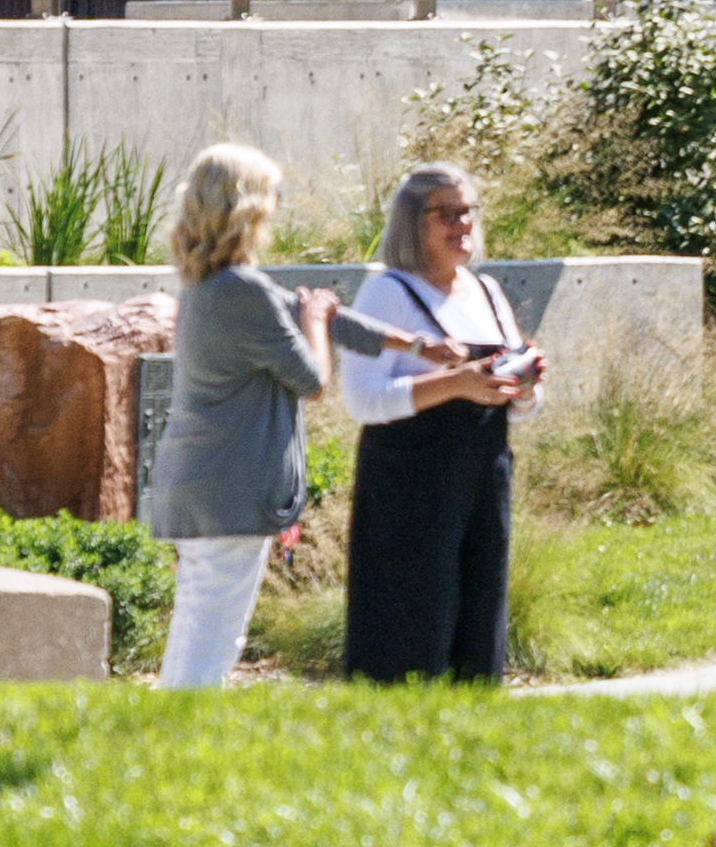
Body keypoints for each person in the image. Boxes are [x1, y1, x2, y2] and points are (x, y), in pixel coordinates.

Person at [327, 160, 542, 685]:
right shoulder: (388, 293)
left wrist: (525, 385)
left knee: (480, 606)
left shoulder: (487, 290)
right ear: (411, 223)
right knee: (409, 620)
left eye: (467, 211)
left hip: (483, 480)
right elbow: (361, 401)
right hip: (408, 487)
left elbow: (518, 404)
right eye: (446, 213)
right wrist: (455, 384)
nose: (461, 224)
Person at [144, 141, 341, 689]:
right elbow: (313, 380)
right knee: (214, 637)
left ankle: (162, 740)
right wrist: (317, 320)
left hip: (197, 485)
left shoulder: (207, 287)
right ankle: (181, 747)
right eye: (272, 194)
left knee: (196, 625)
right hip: (229, 492)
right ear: (249, 204)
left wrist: (415, 347)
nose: (278, 204)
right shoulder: (244, 289)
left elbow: (299, 314)